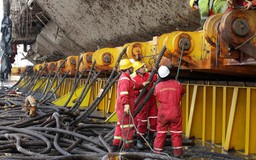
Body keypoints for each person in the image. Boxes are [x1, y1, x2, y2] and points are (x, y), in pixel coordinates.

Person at [153, 65, 185, 158]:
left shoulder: (158, 86)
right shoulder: (177, 84)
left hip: (163, 113)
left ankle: (157, 153)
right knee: (176, 134)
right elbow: (183, 92)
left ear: (159, 76)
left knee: (160, 133)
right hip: (175, 112)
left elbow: (156, 96)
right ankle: (177, 154)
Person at [132, 61, 158, 149]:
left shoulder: (149, 76)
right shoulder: (134, 79)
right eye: (142, 67)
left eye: (144, 67)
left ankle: (150, 137)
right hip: (142, 103)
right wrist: (138, 91)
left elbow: (158, 77)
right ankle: (140, 139)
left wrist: (157, 70)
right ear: (137, 70)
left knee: (154, 121)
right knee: (142, 123)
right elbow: (131, 90)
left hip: (151, 102)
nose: (144, 68)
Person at [112, 59, 135, 152]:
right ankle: (127, 148)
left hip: (122, 107)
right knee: (127, 127)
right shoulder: (125, 79)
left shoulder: (126, 78)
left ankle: (116, 146)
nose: (132, 68)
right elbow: (124, 93)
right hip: (124, 107)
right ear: (128, 68)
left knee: (120, 126)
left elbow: (132, 86)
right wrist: (126, 104)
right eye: (131, 67)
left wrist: (141, 85)